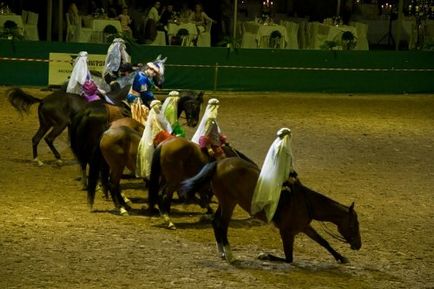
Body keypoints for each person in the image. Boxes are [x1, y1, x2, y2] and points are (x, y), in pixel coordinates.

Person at [250, 128, 297, 222]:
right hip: (280, 178)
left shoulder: (276, 145)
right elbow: (284, 166)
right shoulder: (284, 149)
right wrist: (288, 178)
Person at [136, 100, 172, 179]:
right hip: (156, 135)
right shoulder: (156, 116)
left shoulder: (155, 114)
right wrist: (169, 133)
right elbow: (158, 128)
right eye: (159, 106)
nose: (159, 107)